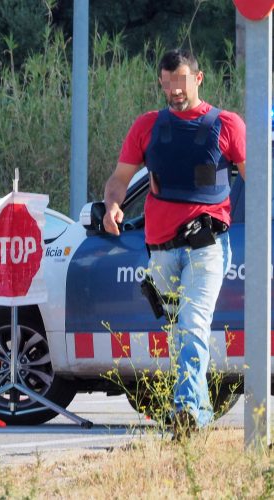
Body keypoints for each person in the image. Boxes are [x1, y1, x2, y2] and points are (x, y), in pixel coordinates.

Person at [103, 49, 246, 439]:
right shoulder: (148, 126)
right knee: (179, 333)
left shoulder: (227, 124)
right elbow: (119, 179)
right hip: (161, 249)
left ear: (198, 79)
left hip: (207, 246)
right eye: (167, 84)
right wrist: (112, 205)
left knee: (193, 326)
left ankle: (184, 412)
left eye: (180, 81)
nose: (173, 91)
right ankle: (196, 413)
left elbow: (258, 180)